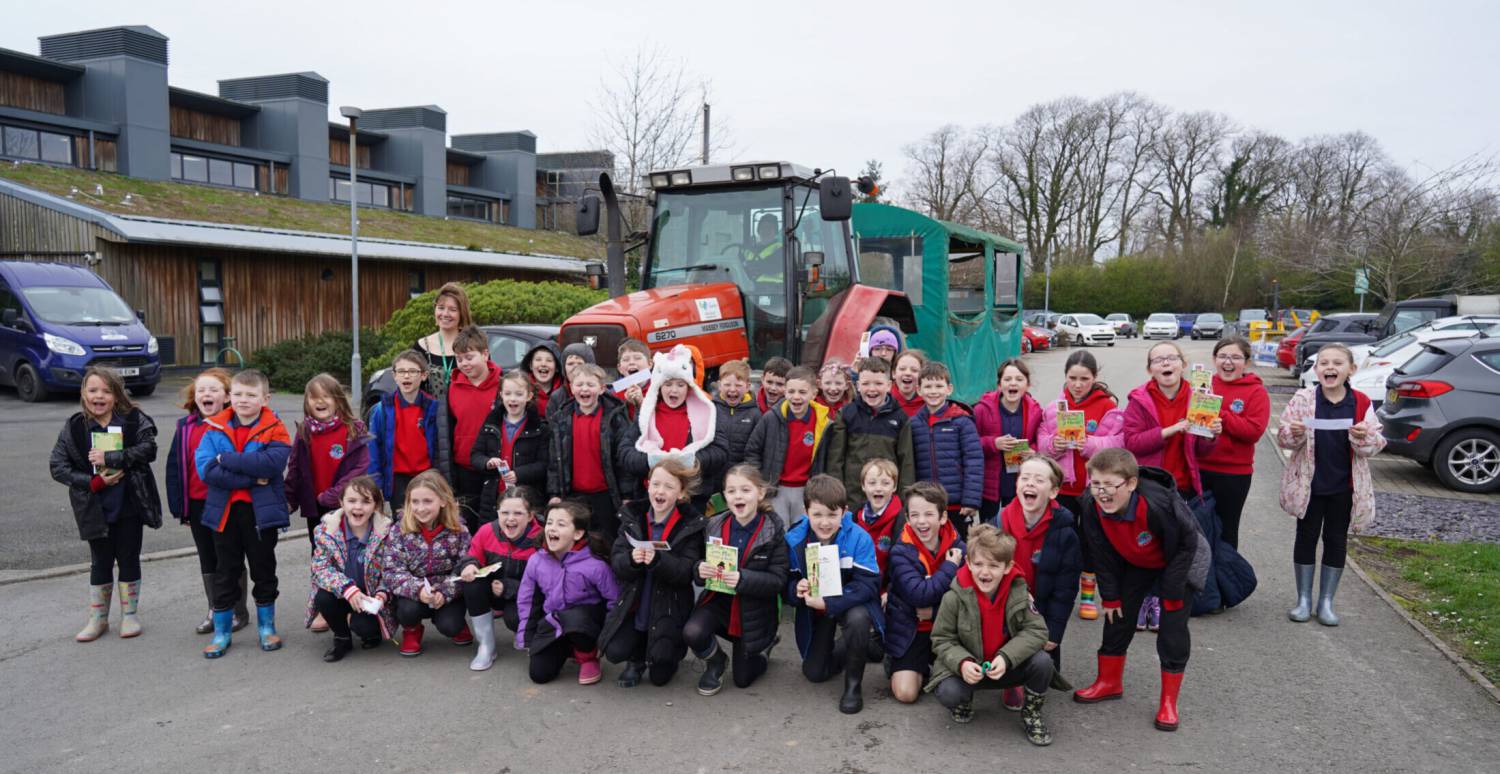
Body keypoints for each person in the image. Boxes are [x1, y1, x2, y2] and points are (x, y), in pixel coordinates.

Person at [1073, 448, 1209, 733]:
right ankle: (1109, 682)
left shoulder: (1159, 505)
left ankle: (1169, 702)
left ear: (1131, 483)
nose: (1102, 492)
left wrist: (1171, 593)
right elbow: (1100, 552)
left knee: (1172, 629)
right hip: (1137, 557)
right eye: (1096, 484)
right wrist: (1109, 596)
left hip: (1180, 558)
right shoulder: (1089, 503)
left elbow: (1186, 544)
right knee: (1117, 614)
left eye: (1110, 485)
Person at [1275, 343, 1385, 626]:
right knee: (1306, 537)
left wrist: (1363, 437)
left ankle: (1326, 602)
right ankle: (1303, 600)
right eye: (1324, 363)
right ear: (1316, 369)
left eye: (1337, 363)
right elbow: (1284, 438)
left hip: (1345, 487)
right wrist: (1293, 432)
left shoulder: (1360, 402)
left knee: (1336, 540)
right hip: (1309, 486)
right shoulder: (1303, 399)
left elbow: (1374, 447)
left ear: (1351, 369)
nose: (1330, 368)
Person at [50, 366, 162, 642]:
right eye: (93, 390)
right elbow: (57, 466)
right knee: (100, 562)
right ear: (83, 394)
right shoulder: (75, 426)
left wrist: (112, 458)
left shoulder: (134, 420)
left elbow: (149, 449)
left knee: (128, 558)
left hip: (130, 504)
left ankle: (129, 616)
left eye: (106, 391)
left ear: (116, 395)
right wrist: (93, 483)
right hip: (94, 507)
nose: (98, 396)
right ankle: (98, 619)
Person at [926, 525, 1056, 745]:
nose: (984, 572)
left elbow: (1037, 631)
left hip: (1005, 668)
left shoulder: (1019, 593)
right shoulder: (953, 597)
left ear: (1008, 567)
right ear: (967, 563)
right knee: (949, 692)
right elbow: (941, 639)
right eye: (978, 564)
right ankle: (964, 700)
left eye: (993, 565)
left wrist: (1006, 657)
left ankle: (1031, 714)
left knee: (1043, 662)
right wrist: (963, 663)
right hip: (970, 671)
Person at [1121, 341, 1220, 631]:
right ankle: (1144, 599)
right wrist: (1171, 429)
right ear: (1150, 368)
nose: (1166, 363)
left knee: (1175, 548)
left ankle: (1162, 601)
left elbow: (1204, 453)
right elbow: (1132, 442)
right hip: (1150, 485)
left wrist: (1211, 434)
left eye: (1171, 358)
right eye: (1158, 359)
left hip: (1185, 485)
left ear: (1182, 364)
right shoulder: (1139, 399)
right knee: (1146, 544)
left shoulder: (1199, 395)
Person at [195, 369, 293, 658]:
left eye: (251, 395)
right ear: (229, 397)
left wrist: (229, 459)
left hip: (260, 515)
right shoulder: (213, 427)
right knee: (226, 572)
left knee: (264, 569)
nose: (243, 400)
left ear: (265, 398)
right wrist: (250, 478)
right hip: (224, 514)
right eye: (238, 394)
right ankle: (222, 632)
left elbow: (272, 465)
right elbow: (207, 470)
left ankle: (267, 628)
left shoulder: (276, 427)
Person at [683, 464, 790, 695]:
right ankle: (717, 661)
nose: (738, 496)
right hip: (720, 600)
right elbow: (699, 560)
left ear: (760, 493)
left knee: (743, 680)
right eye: (731, 491)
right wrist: (699, 569)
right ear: (725, 496)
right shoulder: (714, 524)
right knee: (692, 632)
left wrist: (743, 579)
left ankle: (765, 646)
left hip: (754, 610)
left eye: (745, 490)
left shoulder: (774, 531)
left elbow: (778, 581)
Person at [601, 459, 707, 687]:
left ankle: (666, 658)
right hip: (636, 600)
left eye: (669, 486)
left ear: (681, 493)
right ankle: (636, 660)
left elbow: (687, 571)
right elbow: (617, 562)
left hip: (670, 605)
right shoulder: (632, 517)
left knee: (660, 676)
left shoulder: (691, 525)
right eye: (656, 484)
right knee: (615, 650)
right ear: (647, 486)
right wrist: (631, 559)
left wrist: (659, 561)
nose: (660, 491)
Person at [1036, 350, 1123, 621]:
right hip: (1062, 489)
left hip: (1092, 490)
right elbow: (1041, 440)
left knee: (1090, 541)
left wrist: (1090, 444)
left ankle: (1088, 594)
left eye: (1084, 378)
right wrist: (1053, 444)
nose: (1077, 384)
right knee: (1060, 540)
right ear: (1065, 377)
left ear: (1094, 378)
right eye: (1072, 377)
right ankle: (1056, 592)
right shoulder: (1054, 407)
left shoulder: (1107, 407)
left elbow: (1118, 443)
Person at [785, 475, 884, 714]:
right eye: (817, 514)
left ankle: (853, 686)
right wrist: (797, 590)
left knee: (859, 619)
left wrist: (830, 603)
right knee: (815, 673)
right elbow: (785, 587)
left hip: (850, 603)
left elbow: (868, 585)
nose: (825, 522)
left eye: (832, 514)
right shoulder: (793, 539)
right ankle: (862, 645)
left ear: (844, 511)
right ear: (806, 511)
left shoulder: (859, 537)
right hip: (816, 608)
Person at [165, 368, 248, 635]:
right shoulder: (185, 426)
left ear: (226, 397)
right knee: (207, 558)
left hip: (227, 502)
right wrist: (181, 507)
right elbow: (175, 467)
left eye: (213, 390)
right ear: (195, 397)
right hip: (197, 503)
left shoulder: (236, 424)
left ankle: (237, 609)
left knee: (229, 556)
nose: (206, 394)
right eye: (201, 390)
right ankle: (215, 609)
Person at [995, 456, 1082, 709]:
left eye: (1038, 479)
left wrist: (1054, 631)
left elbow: (1065, 590)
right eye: (1025, 478)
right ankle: (1009, 678)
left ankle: (1030, 669)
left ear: (1054, 491)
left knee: (1044, 666)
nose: (1029, 483)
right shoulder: (999, 521)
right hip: (1005, 605)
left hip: (1041, 609)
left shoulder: (1065, 531)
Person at [516, 500, 620, 685]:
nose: (552, 529)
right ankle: (567, 649)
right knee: (539, 674)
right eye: (549, 522)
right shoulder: (536, 560)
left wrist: (606, 640)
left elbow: (614, 602)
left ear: (578, 533)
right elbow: (527, 600)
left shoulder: (596, 565)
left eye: (561, 524)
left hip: (587, 625)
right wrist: (527, 637)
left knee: (574, 618)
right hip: (554, 623)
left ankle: (588, 656)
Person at [885, 481, 965, 704]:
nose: (921, 521)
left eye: (929, 514)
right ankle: (900, 661)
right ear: (908, 518)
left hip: (949, 629)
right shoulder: (900, 551)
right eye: (915, 514)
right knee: (905, 694)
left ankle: (933, 667)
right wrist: (949, 568)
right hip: (913, 629)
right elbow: (919, 596)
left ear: (942, 517)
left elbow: (969, 596)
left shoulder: (959, 547)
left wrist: (936, 610)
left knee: (965, 682)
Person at [383, 470, 473, 657]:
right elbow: (392, 571)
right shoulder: (399, 530)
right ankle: (412, 629)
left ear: (442, 501)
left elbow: (465, 567)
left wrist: (445, 592)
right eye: (415, 502)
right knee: (408, 610)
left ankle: (457, 623)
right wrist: (418, 590)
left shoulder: (459, 530)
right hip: (414, 593)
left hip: (445, 590)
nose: (420, 508)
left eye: (427, 501)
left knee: (450, 625)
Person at [307, 475, 396, 662]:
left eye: (366, 501)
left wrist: (382, 593)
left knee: (366, 629)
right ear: (342, 503)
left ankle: (370, 631)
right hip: (343, 592)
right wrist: (348, 589)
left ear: (376, 505)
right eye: (352, 500)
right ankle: (341, 637)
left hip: (370, 595)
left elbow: (392, 570)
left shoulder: (387, 532)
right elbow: (320, 568)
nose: (358, 507)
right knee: (323, 597)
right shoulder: (326, 531)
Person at [619, 345, 728, 496]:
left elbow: (720, 451)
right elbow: (625, 452)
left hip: (692, 497)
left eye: (680, 385)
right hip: (652, 495)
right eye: (668, 384)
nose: (674, 390)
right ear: (659, 386)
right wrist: (652, 461)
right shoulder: (646, 412)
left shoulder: (707, 411)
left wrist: (691, 461)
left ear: (689, 387)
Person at [545, 363, 633, 542]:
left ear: (601, 389)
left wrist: (627, 496)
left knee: (607, 540)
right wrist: (554, 493)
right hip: (573, 495)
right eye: (579, 384)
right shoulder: (562, 417)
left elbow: (622, 462)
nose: (584, 389)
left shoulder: (615, 417)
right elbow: (555, 461)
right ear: (571, 387)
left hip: (606, 495)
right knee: (578, 541)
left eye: (590, 385)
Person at [459, 486, 543, 671]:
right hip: (492, 590)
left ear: (530, 516)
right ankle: (486, 646)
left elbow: (545, 588)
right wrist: (470, 565)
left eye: (518, 513)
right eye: (504, 512)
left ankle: (528, 635)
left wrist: (509, 587)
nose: (510, 518)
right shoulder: (487, 531)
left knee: (514, 618)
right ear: (497, 513)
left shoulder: (541, 540)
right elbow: (472, 555)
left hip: (522, 596)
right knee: (472, 584)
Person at [285, 374, 372, 551]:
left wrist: (334, 495)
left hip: (347, 505)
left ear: (338, 400)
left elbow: (360, 467)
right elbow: (295, 469)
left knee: (348, 554)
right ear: (307, 402)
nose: (320, 401)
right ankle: (321, 580)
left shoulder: (353, 429)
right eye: (314, 397)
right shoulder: (304, 432)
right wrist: (288, 500)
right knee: (319, 553)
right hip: (315, 507)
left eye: (326, 396)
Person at [1201, 336, 1271, 550]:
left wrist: (1218, 412)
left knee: (1226, 531)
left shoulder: (1256, 391)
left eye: (1235, 357)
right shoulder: (1203, 385)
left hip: (1234, 474)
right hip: (1198, 467)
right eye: (1222, 356)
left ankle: (1226, 581)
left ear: (1247, 362)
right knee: (1197, 529)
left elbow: (1253, 432)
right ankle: (1201, 582)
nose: (1228, 362)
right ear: (1214, 359)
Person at [745, 365, 832, 528]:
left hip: (807, 490)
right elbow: (752, 451)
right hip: (776, 489)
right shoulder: (771, 418)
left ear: (814, 394)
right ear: (785, 391)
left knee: (803, 532)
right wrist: (761, 483)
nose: (796, 397)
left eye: (802, 392)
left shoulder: (823, 422)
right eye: (791, 392)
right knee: (778, 531)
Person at [824, 357, 916, 504]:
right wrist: (837, 495)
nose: (872, 389)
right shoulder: (846, 414)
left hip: (886, 499)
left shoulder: (900, 418)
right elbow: (835, 460)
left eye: (878, 383)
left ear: (889, 385)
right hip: (852, 497)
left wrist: (904, 501)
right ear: (858, 385)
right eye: (866, 384)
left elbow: (907, 463)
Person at [910, 361, 984, 538]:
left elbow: (974, 461)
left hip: (956, 505)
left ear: (948, 388)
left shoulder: (962, 421)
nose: (933, 391)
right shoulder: (913, 424)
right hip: (926, 504)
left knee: (956, 546)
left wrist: (970, 500)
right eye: (928, 386)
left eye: (938, 385)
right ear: (919, 390)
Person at [443, 325, 502, 532]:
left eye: (469, 357)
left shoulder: (503, 385)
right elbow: (448, 429)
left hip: (494, 467)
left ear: (485, 354)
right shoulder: (452, 387)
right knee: (466, 525)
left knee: (493, 525)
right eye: (459, 359)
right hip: (464, 469)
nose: (464, 364)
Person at [367, 349, 439, 509]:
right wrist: (375, 483)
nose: (406, 376)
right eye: (401, 371)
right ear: (394, 375)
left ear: (424, 375)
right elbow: (373, 448)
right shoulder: (382, 410)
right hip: (397, 478)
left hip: (426, 476)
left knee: (426, 520)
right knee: (401, 523)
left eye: (412, 371)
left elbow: (441, 446)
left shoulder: (433, 408)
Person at [473, 371, 550, 517]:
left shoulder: (541, 428)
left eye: (519, 394)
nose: (512, 399)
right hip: (492, 497)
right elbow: (475, 454)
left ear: (529, 396)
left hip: (526, 497)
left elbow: (544, 464)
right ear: (501, 395)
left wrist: (519, 474)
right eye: (508, 394)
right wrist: (487, 462)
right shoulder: (491, 424)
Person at [974, 359, 1043, 522]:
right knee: (989, 528)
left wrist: (1033, 451)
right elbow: (970, 443)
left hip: (1019, 480)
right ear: (999, 385)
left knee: (1016, 526)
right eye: (1007, 379)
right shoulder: (982, 409)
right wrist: (993, 443)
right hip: (990, 481)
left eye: (1019, 379)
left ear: (1027, 385)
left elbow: (1038, 440)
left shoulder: (1035, 411)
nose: (1013, 383)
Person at [711, 358, 761, 497]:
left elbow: (756, 450)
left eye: (738, 385)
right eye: (727, 385)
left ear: (748, 386)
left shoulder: (755, 414)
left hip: (740, 480)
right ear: (720, 385)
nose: (732, 389)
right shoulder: (711, 409)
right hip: (713, 479)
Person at [413, 282, 474, 396]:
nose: (445, 314)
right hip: (430, 413)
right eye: (441, 308)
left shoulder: (475, 346)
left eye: (452, 309)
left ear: (462, 313)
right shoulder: (420, 347)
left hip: (466, 413)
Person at [852, 458, 904, 578]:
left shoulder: (901, 520)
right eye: (872, 483)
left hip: (887, 587)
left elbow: (901, 563)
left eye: (885, 483)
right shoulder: (855, 518)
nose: (878, 488)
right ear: (863, 486)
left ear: (894, 486)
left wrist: (890, 589)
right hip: (860, 583)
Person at [546, 342, 599, 425]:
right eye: (570, 363)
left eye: (580, 363)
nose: (575, 367)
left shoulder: (601, 395)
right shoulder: (556, 398)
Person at [520, 341, 563, 417]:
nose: (543, 364)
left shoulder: (565, 393)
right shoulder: (521, 389)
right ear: (530, 365)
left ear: (557, 367)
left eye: (549, 360)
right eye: (538, 360)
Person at [613, 338, 652, 418]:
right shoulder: (613, 395)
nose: (631, 362)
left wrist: (641, 403)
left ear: (650, 364)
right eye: (626, 360)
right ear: (619, 368)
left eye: (637, 358)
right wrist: (625, 403)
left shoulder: (659, 390)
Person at [890, 349, 927, 417]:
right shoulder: (884, 401)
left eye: (914, 370)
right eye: (902, 369)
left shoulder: (929, 402)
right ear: (894, 373)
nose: (908, 373)